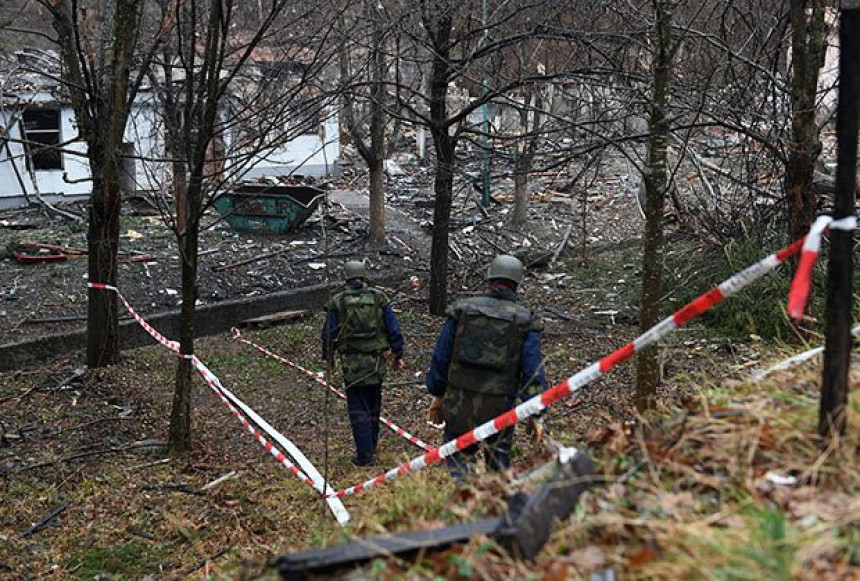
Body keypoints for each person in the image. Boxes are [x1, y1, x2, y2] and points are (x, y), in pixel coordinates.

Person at [425, 254, 547, 479]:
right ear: (517, 283)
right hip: (500, 406)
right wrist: (537, 411)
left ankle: (463, 496)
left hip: (459, 402)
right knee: (498, 468)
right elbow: (532, 370)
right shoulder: (524, 319)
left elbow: (441, 356)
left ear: (490, 278)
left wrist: (437, 393)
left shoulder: (462, 310)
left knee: (458, 462)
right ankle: (494, 498)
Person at [322, 260, 404, 466]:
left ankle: (365, 456)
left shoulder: (337, 302)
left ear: (346, 278)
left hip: (352, 365)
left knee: (358, 407)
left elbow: (328, 335)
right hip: (377, 362)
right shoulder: (378, 297)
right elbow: (394, 329)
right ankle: (371, 446)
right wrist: (397, 354)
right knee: (374, 403)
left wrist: (328, 359)